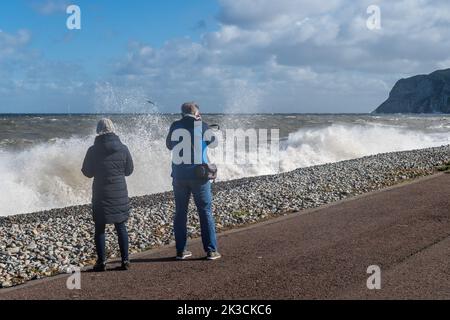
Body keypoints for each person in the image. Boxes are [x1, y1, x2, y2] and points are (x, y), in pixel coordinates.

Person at [166, 102, 221, 260]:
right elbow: (214, 143)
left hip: (179, 176)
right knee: (205, 211)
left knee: (181, 213)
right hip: (199, 176)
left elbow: (169, 145)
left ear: (182, 113)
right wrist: (201, 123)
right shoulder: (201, 125)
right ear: (196, 112)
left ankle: (181, 250)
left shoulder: (175, 126)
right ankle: (211, 250)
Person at [82, 118, 134, 271]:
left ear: (98, 130)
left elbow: (87, 172)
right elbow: (129, 171)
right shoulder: (123, 148)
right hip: (119, 192)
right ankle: (125, 260)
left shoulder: (93, 150)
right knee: (121, 226)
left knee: (100, 227)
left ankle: (101, 262)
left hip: (100, 192)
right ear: (113, 129)